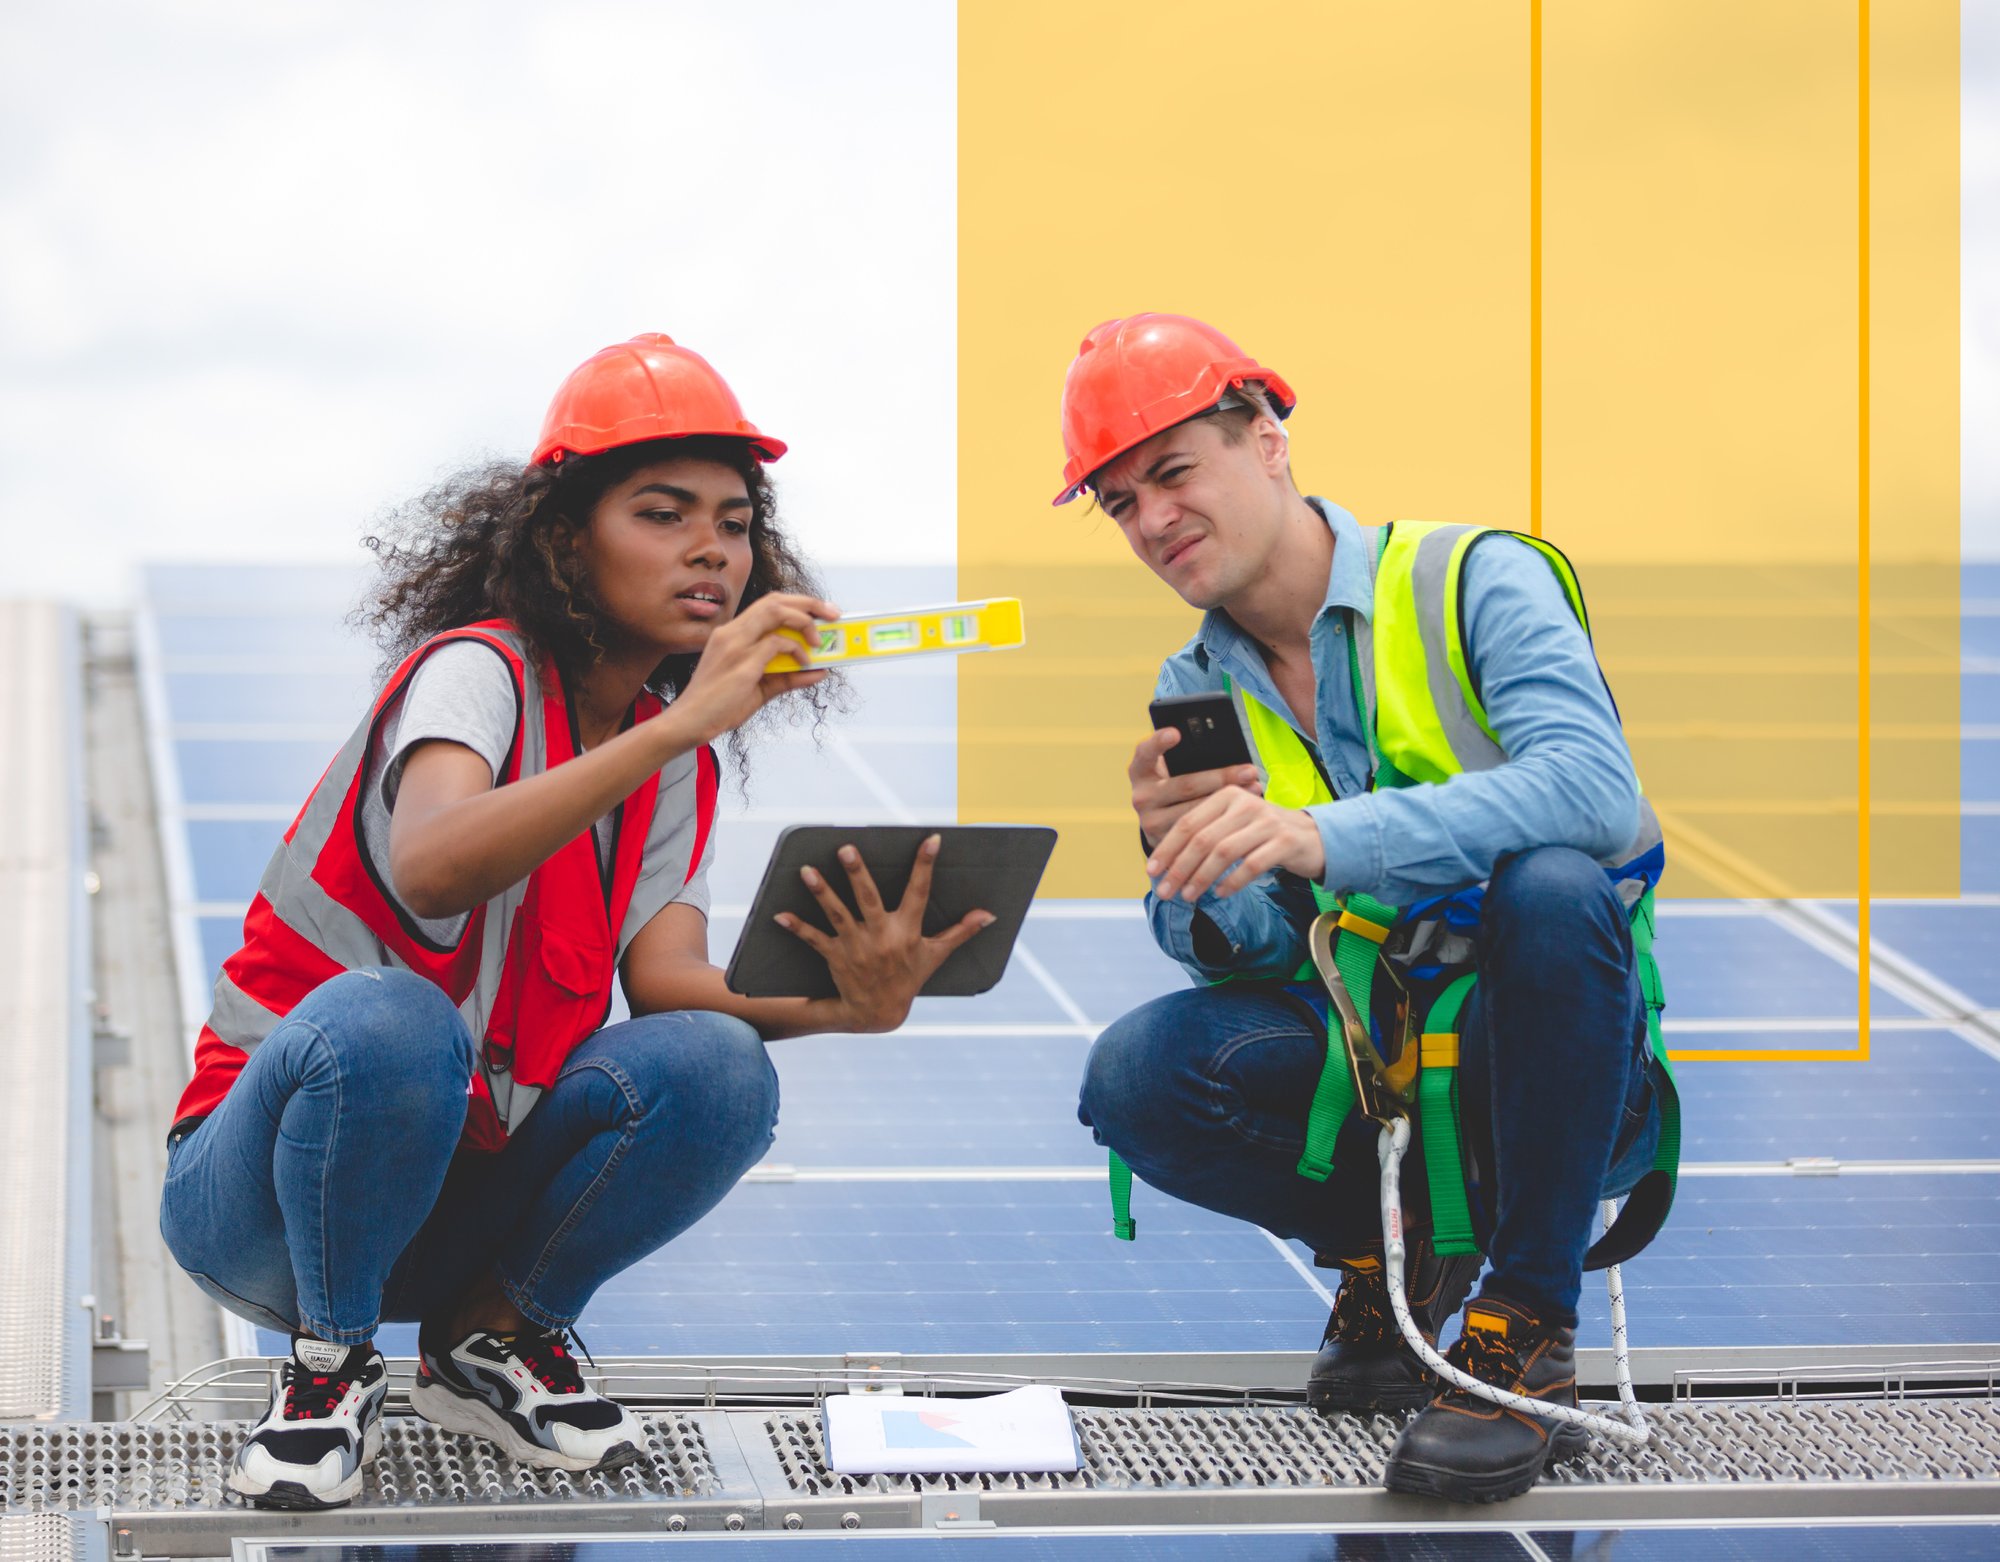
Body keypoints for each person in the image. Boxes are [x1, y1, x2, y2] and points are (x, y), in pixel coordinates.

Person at [160, 333, 994, 1510]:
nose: (714, 546)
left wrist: (843, 1006)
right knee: (393, 1021)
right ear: (564, 540)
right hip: (262, 1195)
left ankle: (491, 1333)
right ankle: (327, 1362)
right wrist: (677, 725)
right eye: (663, 512)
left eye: (737, 520)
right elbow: (438, 863)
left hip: (449, 1196)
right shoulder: (477, 671)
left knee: (720, 1066)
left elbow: (670, 990)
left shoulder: (671, 762)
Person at [1056, 314, 1676, 1503]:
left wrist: (1321, 834)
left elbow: (1596, 791)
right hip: (1379, 1073)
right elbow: (1240, 965)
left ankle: (1525, 1331)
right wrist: (1178, 857)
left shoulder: (1472, 577)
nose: (1151, 521)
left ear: (1269, 440)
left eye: (1173, 471)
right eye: (1119, 502)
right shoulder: (1194, 683)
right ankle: (1394, 1256)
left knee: (1550, 886)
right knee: (1140, 1071)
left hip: (1552, 1070)